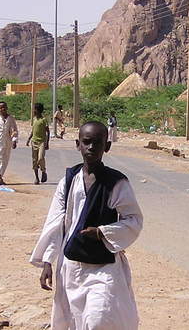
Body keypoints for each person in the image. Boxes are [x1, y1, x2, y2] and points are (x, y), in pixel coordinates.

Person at [30, 121, 143, 330]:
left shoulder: (116, 182)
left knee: (99, 319)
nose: (91, 147)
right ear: (78, 144)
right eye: (86, 142)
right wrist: (48, 261)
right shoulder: (69, 179)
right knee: (72, 320)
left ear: (106, 147)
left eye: (97, 143)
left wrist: (103, 232)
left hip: (103, 268)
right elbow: (56, 221)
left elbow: (134, 220)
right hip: (71, 267)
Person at [26, 103, 50, 185]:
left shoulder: (43, 120)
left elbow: (48, 132)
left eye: (35, 109)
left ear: (38, 110)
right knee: (34, 160)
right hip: (34, 142)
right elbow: (33, 131)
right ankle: (36, 178)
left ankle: (43, 171)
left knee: (40, 158)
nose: (33, 111)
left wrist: (47, 143)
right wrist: (29, 139)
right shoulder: (34, 119)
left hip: (42, 142)